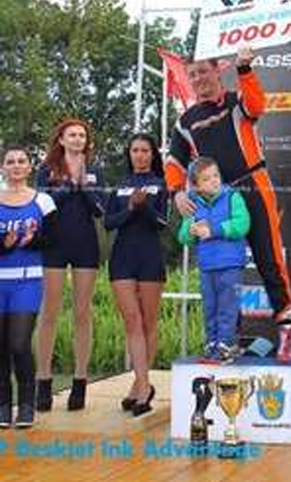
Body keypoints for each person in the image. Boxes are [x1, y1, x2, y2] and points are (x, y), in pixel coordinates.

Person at [166, 45, 291, 362]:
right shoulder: (185, 121)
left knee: (269, 259)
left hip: (254, 185)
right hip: (217, 197)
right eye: (192, 74)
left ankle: (287, 328)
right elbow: (174, 162)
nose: (198, 78)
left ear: (218, 70)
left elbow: (258, 105)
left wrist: (245, 69)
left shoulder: (236, 101)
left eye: (203, 71)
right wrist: (176, 192)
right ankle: (228, 339)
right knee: (225, 269)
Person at [35, 118, 105, 411]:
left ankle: (80, 380)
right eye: (72, 135)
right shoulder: (46, 170)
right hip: (54, 244)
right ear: (61, 140)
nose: (78, 139)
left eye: (82, 135)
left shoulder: (95, 171)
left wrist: (83, 186)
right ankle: (43, 381)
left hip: (85, 244)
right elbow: (43, 207)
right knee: (49, 312)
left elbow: (99, 209)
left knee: (82, 313)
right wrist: (67, 186)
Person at [104, 133, 167, 417]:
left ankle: (139, 386)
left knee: (148, 322)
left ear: (153, 154)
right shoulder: (120, 186)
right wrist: (131, 207)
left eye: (145, 150)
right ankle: (143, 386)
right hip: (122, 259)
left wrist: (145, 207)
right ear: (129, 154)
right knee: (132, 320)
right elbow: (108, 223)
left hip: (150, 257)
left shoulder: (160, 184)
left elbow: (162, 222)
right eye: (135, 150)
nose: (139, 155)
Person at [0, 147, 57, 428]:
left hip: (27, 281)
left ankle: (26, 404)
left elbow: (54, 240)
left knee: (19, 343)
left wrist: (32, 241)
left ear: (29, 167)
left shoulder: (43, 201)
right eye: (10, 161)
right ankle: (3, 405)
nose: (16, 165)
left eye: (21, 161)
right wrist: (5, 245)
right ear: (3, 168)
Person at [177, 157, 250, 363]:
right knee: (210, 307)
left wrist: (214, 230)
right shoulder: (192, 204)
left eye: (216, 175)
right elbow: (183, 237)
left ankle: (226, 344)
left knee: (227, 308)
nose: (214, 181)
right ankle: (211, 344)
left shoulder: (232, 197)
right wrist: (191, 231)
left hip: (231, 265)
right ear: (196, 186)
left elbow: (242, 224)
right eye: (207, 179)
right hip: (207, 267)